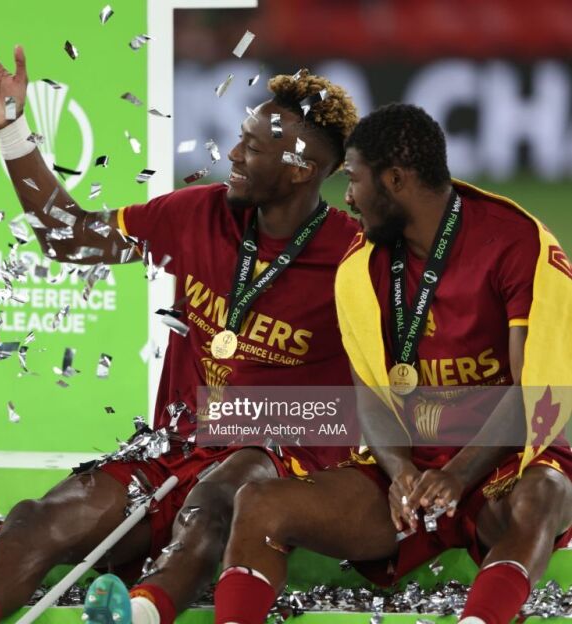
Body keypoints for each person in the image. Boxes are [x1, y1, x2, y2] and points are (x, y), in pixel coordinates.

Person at [0, 45, 360, 624]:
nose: (232, 154)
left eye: (251, 147)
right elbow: (68, 237)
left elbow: (388, 397)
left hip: (273, 466)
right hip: (174, 450)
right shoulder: (200, 213)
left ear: (300, 168)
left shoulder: (353, 256)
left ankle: (138, 615)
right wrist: (11, 130)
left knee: (222, 495)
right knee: (38, 516)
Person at [214, 103, 572, 624]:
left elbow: (534, 389)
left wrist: (457, 474)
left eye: (354, 179)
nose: (348, 197)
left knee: (546, 493)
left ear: (395, 180)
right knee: (259, 502)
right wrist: (402, 472)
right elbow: (370, 394)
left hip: (501, 464)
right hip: (412, 469)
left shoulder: (519, 244)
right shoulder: (361, 264)